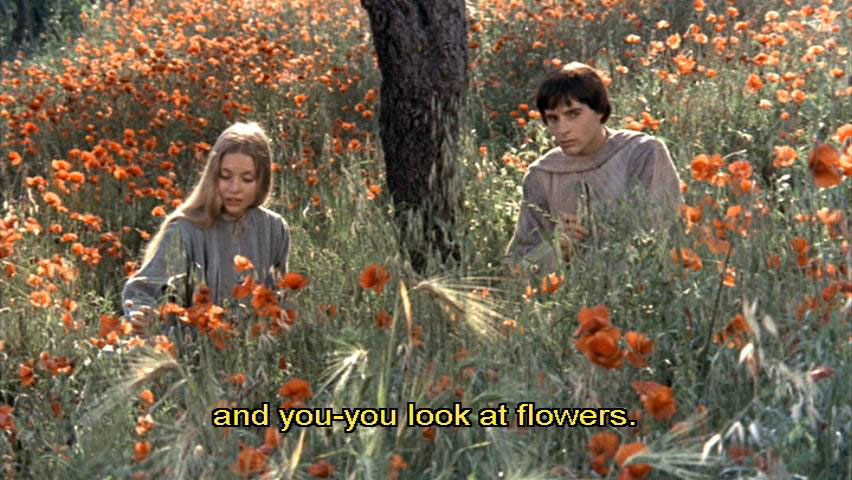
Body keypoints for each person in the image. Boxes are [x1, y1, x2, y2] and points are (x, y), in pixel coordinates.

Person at [505, 62, 683, 274]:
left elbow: (663, 234)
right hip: (569, 291)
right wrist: (556, 248)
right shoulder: (542, 174)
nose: (562, 129)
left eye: (573, 114)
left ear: (599, 110)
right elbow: (517, 264)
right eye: (553, 118)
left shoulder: (641, 152)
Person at [122, 122, 291, 334]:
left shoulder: (274, 228)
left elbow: (280, 299)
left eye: (247, 179)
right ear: (212, 176)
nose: (235, 188)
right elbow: (143, 291)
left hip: (254, 347)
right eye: (225, 176)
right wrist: (142, 316)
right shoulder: (185, 229)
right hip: (193, 348)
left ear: (262, 181)